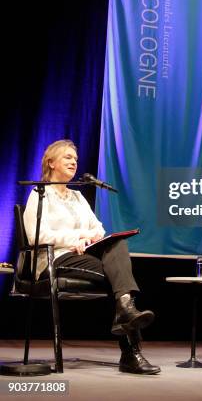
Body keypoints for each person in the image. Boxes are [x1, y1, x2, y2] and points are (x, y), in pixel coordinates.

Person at [23, 139, 160, 375]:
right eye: (67, 157)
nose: (73, 162)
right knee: (117, 279)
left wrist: (89, 237)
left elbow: (98, 229)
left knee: (117, 244)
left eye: (75, 159)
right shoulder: (39, 194)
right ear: (50, 162)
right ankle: (130, 351)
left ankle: (125, 308)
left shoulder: (77, 197)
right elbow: (38, 236)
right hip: (55, 260)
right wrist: (76, 237)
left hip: (81, 256)